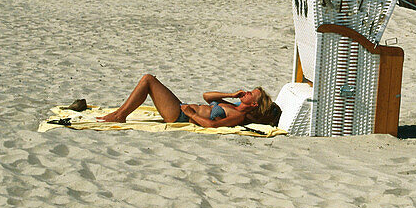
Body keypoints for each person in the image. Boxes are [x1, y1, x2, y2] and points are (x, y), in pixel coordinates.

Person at [97, 74, 280, 127]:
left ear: (254, 104)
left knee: (148, 80)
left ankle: (120, 115)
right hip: (182, 109)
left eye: (250, 94)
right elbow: (207, 97)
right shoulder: (233, 104)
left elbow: (212, 126)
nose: (246, 92)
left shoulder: (237, 116)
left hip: (180, 116)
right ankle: (118, 114)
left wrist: (191, 114)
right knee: (149, 80)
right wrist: (231, 95)